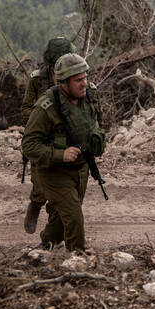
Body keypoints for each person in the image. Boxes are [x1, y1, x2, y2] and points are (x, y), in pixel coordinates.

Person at [21, 52, 106, 252]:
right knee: (74, 217)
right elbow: (29, 145)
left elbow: (97, 123)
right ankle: (78, 257)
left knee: (61, 218)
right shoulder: (46, 107)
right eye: (78, 80)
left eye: (85, 77)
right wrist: (61, 154)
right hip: (53, 171)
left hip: (81, 168)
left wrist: (97, 140)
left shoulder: (90, 96)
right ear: (63, 83)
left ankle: (44, 247)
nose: (84, 83)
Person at [19, 36, 76, 234]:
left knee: (62, 186)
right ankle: (35, 204)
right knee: (40, 182)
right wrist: (43, 117)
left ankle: (53, 228)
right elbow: (26, 109)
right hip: (42, 140)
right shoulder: (37, 79)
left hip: (65, 140)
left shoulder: (75, 77)